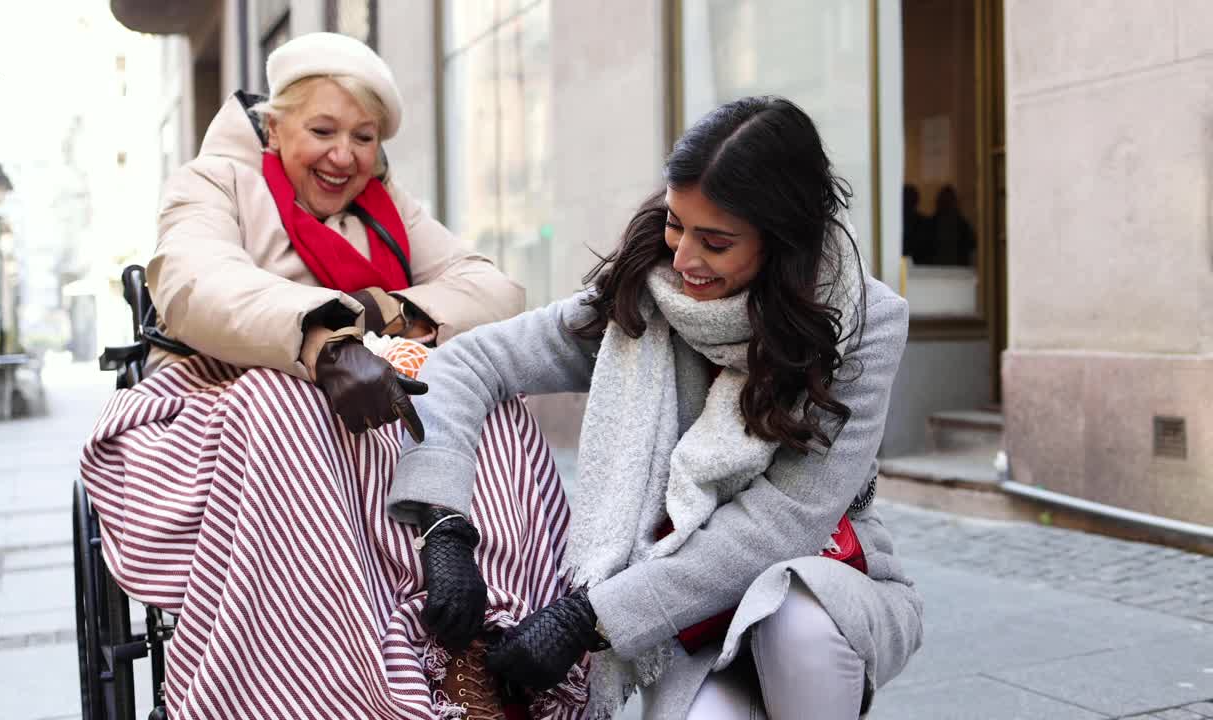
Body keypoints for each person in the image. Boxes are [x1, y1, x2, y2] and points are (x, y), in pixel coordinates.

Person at [81, 33, 586, 720]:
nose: (343, 155)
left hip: (374, 407)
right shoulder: (213, 181)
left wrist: (386, 311)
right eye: (322, 130)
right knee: (283, 403)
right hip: (228, 395)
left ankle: (474, 645)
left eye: (364, 136)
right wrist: (319, 339)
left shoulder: (386, 204)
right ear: (274, 123)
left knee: (484, 397)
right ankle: (329, 683)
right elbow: (197, 281)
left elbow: (492, 288)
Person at [387, 96, 924, 718]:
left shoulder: (863, 321)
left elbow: (787, 520)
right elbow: (470, 362)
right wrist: (444, 528)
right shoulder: (646, 293)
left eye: (716, 242)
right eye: (676, 224)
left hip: (815, 576)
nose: (684, 260)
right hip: (682, 616)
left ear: (782, 243)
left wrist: (589, 618)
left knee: (795, 623)